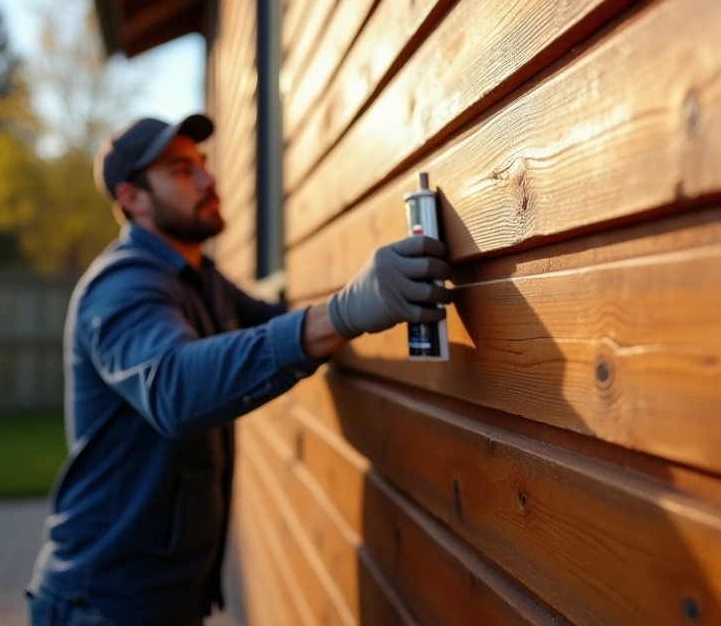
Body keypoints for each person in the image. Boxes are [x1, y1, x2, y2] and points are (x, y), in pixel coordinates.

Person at [25, 114, 451, 625]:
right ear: (132, 199)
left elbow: (283, 326)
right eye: (182, 171)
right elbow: (174, 386)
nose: (209, 181)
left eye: (203, 165)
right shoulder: (121, 287)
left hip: (161, 602)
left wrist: (355, 300)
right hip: (99, 604)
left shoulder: (202, 280)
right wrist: (340, 313)